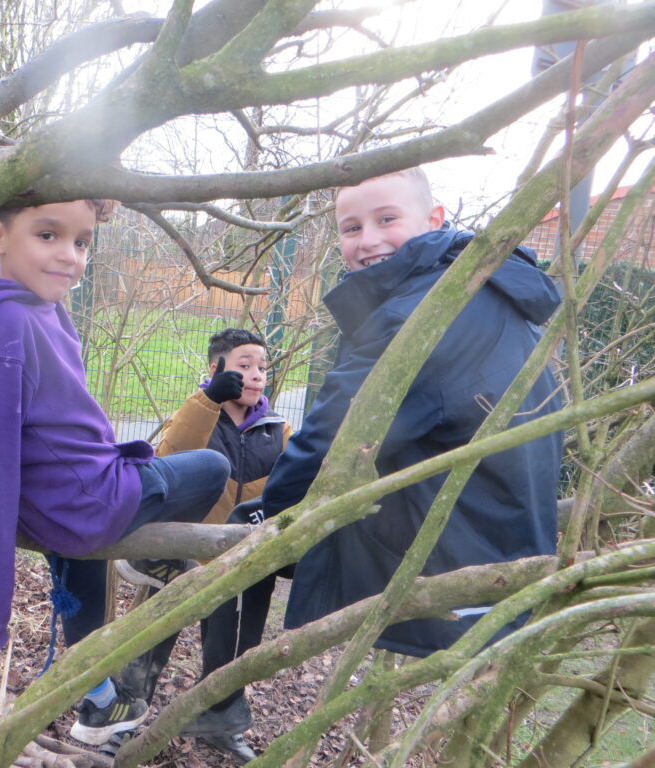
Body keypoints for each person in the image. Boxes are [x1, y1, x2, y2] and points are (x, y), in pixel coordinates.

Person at [208, 167, 564, 754]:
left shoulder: (417, 314)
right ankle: (222, 705)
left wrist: (278, 522)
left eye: (386, 219)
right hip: (510, 531)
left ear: (435, 219)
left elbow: (330, 439)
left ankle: (217, 700)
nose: (366, 240)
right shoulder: (483, 285)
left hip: (457, 547)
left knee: (254, 527)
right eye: (351, 227)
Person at [0, 198, 230, 747]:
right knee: (211, 466)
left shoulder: (33, 305)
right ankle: (146, 556)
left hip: (63, 504)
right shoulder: (6, 325)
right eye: (48, 235)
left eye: (81, 242)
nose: (69, 256)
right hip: (87, 502)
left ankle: (98, 700)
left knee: (82, 562)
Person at [113, 328, 292, 763]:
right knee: (150, 639)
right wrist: (209, 400)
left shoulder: (278, 430)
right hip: (182, 556)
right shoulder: (196, 415)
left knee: (235, 646)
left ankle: (219, 721)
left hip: (244, 560)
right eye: (244, 366)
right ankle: (121, 720)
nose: (256, 376)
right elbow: (167, 459)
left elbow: (289, 491)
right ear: (217, 369)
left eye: (262, 368)